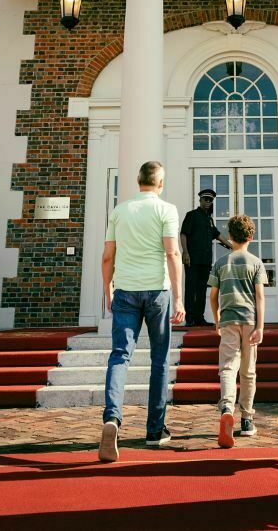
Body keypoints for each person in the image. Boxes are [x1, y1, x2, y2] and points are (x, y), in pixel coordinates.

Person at [99, 160, 185, 462]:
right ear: (160, 184)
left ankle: (112, 419)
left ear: (138, 181)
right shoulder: (166, 210)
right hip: (157, 291)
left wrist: (107, 290)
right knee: (159, 359)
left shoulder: (119, 211)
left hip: (125, 290)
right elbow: (172, 252)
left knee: (120, 355)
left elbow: (108, 256)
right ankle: (154, 430)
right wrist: (179, 299)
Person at [207, 214, 266, 447]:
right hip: (250, 321)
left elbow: (213, 296)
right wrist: (261, 326)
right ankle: (247, 419)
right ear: (251, 237)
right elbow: (260, 296)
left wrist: (216, 318)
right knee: (248, 371)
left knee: (228, 368)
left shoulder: (221, 263)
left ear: (229, 237)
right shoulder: (256, 262)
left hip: (229, 320)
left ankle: (226, 409)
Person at [181, 188, 229, 326]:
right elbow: (183, 234)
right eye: (205, 199)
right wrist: (185, 252)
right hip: (192, 259)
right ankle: (189, 319)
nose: (208, 202)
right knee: (191, 288)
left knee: (202, 289)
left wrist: (233, 246)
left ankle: (199, 318)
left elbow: (218, 235)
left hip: (205, 260)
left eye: (210, 200)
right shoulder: (191, 215)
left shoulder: (209, 219)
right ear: (200, 200)